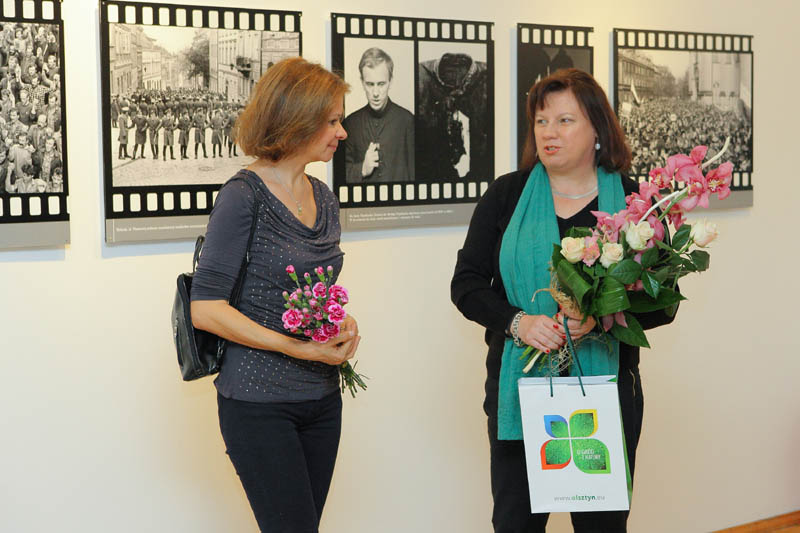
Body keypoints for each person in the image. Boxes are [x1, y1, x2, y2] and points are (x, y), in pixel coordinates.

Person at [450, 68, 677, 533]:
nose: (548, 133)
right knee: (515, 523)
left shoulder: (634, 203)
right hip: (520, 391)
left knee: (601, 525)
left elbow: (664, 301)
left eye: (564, 121)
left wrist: (601, 317)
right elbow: (466, 284)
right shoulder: (507, 195)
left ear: (597, 129)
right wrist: (519, 322)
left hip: (605, 394)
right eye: (541, 121)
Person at [190, 57, 361, 533]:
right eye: (332, 121)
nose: (342, 132)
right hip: (259, 404)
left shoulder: (324, 197)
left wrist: (340, 323)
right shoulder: (243, 195)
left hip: (322, 399)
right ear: (298, 120)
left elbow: (313, 293)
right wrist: (295, 347)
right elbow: (205, 309)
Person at [343, 47, 414, 183]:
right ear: (362, 82)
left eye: (381, 84)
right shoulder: (350, 124)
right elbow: (337, 174)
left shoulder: (408, 121)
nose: (375, 93)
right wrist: (362, 169)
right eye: (370, 84)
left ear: (390, 82)